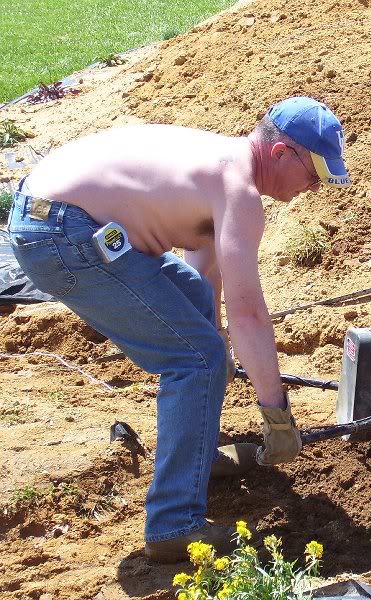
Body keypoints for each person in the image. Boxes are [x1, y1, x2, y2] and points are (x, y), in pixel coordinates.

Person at [7, 97, 351, 561]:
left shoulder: (221, 168)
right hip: (61, 232)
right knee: (196, 359)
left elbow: (205, 286)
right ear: (280, 153)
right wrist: (276, 413)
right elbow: (248, 313)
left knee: (200, 334)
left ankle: (196, 461)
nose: (312, 187)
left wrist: (217, 354)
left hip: (56, 218)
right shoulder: (240, 191)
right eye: (312, 174)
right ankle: (173, 524)